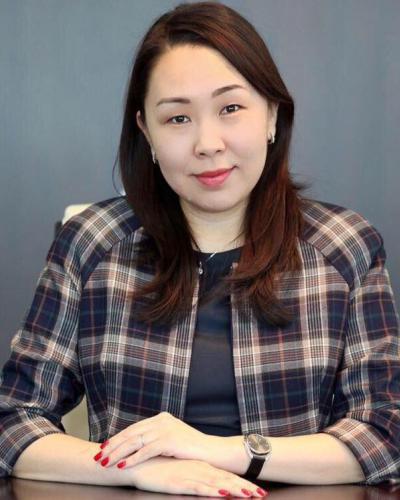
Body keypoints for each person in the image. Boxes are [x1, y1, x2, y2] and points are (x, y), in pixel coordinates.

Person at [0, 1, 399, 496]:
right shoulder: (90, 244)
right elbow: (13, 420)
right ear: (146, 132)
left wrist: (220, 451)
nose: (208, 143)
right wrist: (135, 469)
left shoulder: (345, 247)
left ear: (272, 115)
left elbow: (383, 436)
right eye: (177, 118)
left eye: (230, 109)